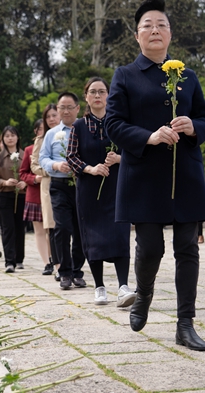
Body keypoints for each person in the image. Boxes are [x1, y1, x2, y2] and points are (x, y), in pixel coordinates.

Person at [104, 0, 205, 351]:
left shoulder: (188, 76)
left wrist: (193, 127)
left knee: (187, 248)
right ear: (137, 36)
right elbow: (113, 124)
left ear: (170, 34)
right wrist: (149, 136)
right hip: (144, 177)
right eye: (147, 26)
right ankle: (145, 294)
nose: (155, 30)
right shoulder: (125, 75)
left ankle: (185, 324)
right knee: (150, 248)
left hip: (185, 177)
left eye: (161, 25)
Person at [67, 77, 136, 307]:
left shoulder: (119, 122)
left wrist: (119, 158)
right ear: (86, 97)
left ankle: (124, 286)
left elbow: (135, 149)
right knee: (93, 239)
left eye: (102, 92)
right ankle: (99, 287)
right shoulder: (78, 126)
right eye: (93, 92)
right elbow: (71, 157)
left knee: (120, 235)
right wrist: (91, 169)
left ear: (109, 95)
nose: (98, 96)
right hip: (89, 190)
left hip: (117, 187)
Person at [39, 93, 86, 289]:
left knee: (80, 230)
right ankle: (64, 271)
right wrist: (56, 165)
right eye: (62, 107)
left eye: (69, 107)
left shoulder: (85, 129)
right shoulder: (51, 134)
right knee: (63, 227)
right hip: (59, 186)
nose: (65, 111)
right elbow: (43, 159)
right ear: (57, 110)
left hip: (81, 184)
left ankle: (77, 271)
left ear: (77, 108)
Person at [0, 126, 28, 273]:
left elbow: (31, 173)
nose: (10, 138)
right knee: (7, 228)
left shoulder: (26, 155)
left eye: (13, 135)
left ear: (17, 137)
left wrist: (25, 182)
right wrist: (4, 182)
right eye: (7, 136)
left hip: (22, 195)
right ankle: (9, 261)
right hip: (5, 195)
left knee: (20, 227)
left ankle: (19, 259)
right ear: (3, 139)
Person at [31, 103, 61, 277]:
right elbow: (34, 165)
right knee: (52, 227)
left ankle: (72, 262)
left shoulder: (70, 133)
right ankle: (58, 265)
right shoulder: (40, 140)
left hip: (70, 183)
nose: (51, 119)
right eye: (48, 116)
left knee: (68, 226)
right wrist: (51, 169)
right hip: (49, 184)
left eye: (54, 115)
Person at [20, 120, 51, 274]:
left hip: (52, 193)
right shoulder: (29, 150)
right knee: (39, 230)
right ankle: (46, 262)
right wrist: (33, 179)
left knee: (52, 230)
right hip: (34, 195)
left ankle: (54, 258)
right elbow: (23, 172)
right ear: (35, 131)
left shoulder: (56, 145)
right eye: (40, 129)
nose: (42, 132)